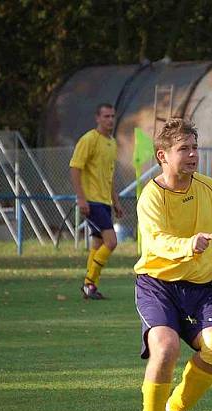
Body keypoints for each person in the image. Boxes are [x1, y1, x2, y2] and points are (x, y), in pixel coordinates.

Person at [134, 118, 212, 411]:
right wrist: (188, 245)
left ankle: (176, 410)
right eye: (184, 149)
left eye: (195, 147)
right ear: (162, 156)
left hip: (199, 289)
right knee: (166, 348)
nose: (193, 154)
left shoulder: (208, 187)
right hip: (158, 286)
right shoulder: (151, 196)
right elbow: (154, 242)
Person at [69, 103, 124, 300]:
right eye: (106, 116)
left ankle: (91, 287)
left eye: (112, 116)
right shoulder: (89, 139)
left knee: (97, 244)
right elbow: (75, 168)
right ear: (97, 118)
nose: (110, 120)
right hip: (91, 201)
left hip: (104, 201)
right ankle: (88, 283)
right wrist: (81, 197)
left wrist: (115, 201)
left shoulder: (111, 143)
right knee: (111, 242)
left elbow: (108, 176)